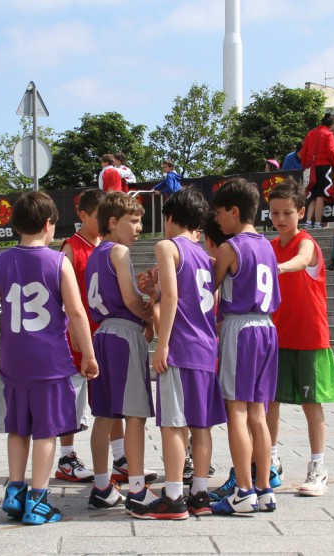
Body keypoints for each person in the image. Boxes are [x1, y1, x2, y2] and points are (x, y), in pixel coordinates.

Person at [0, 191, 98, 526]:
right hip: (50, 361)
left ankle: (15, 491)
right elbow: (75, 311)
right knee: (46, 431)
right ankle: (39, 500)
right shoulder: (58, 262)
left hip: (13, 360)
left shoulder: (1, 261)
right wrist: (88, 354)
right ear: (48, 224)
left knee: (18, 428)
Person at [135, 188, 224, 519]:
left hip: (182, 347)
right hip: (206, 347)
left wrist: (163, 343)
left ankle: (173, 496)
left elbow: (171, 299)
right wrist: (157, 292)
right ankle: (200, 493)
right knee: (201, 426)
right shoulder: (203, 254)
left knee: (173, 424)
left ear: (169, 218)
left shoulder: (166, 246)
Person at [209, 178, 281, 515]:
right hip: (267, 327)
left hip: (240, 328)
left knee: (236, 410)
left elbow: (208, 285)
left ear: (235, 211)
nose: (218, 220)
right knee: (258, 413)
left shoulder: (230, 247)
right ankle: (265, 488)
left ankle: (242, 490)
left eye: (221, 213)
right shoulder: (268, 245)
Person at [84, 192, 155, 514]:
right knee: (135, 415)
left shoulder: (95, 253)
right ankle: (138, 488)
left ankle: (102, 486)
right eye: (134, 221)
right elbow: (129, 299)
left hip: (102, 334)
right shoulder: (120, 251)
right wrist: (152, 307)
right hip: (125, 336)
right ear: (113, 222)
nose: (139, 227)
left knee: (105, 415)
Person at [267, 180, 334, 497]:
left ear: (300, 213)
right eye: (275, 212)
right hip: (277, 336)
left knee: (312, 403)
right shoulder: (269, 245)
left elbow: (300, 260)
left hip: (309, 337)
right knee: (269, 401)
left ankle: (318, 467)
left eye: (287, 212)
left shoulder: (306, 242)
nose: (280, 218)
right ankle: (269, 461)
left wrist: (276, 267)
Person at [55, 188, 107, 484]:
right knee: (72, 397)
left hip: (103, 331)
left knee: (107, 396)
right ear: (83, 215)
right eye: (100, 216)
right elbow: (61, 295)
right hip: (79, 333)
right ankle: (66, 456)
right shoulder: (71, 247)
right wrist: (73, 329)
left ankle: (120, 454)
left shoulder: (107, 244)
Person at [300, 113, 334, 229]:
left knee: (312, 195)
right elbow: (331, 151)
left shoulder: (310, 133)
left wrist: (306, 165)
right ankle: (317, 223)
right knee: (320, 195)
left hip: (311, 167)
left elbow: (303, 152)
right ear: (331, 125)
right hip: (324, 166)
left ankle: (308, 222)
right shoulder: (329, 134)